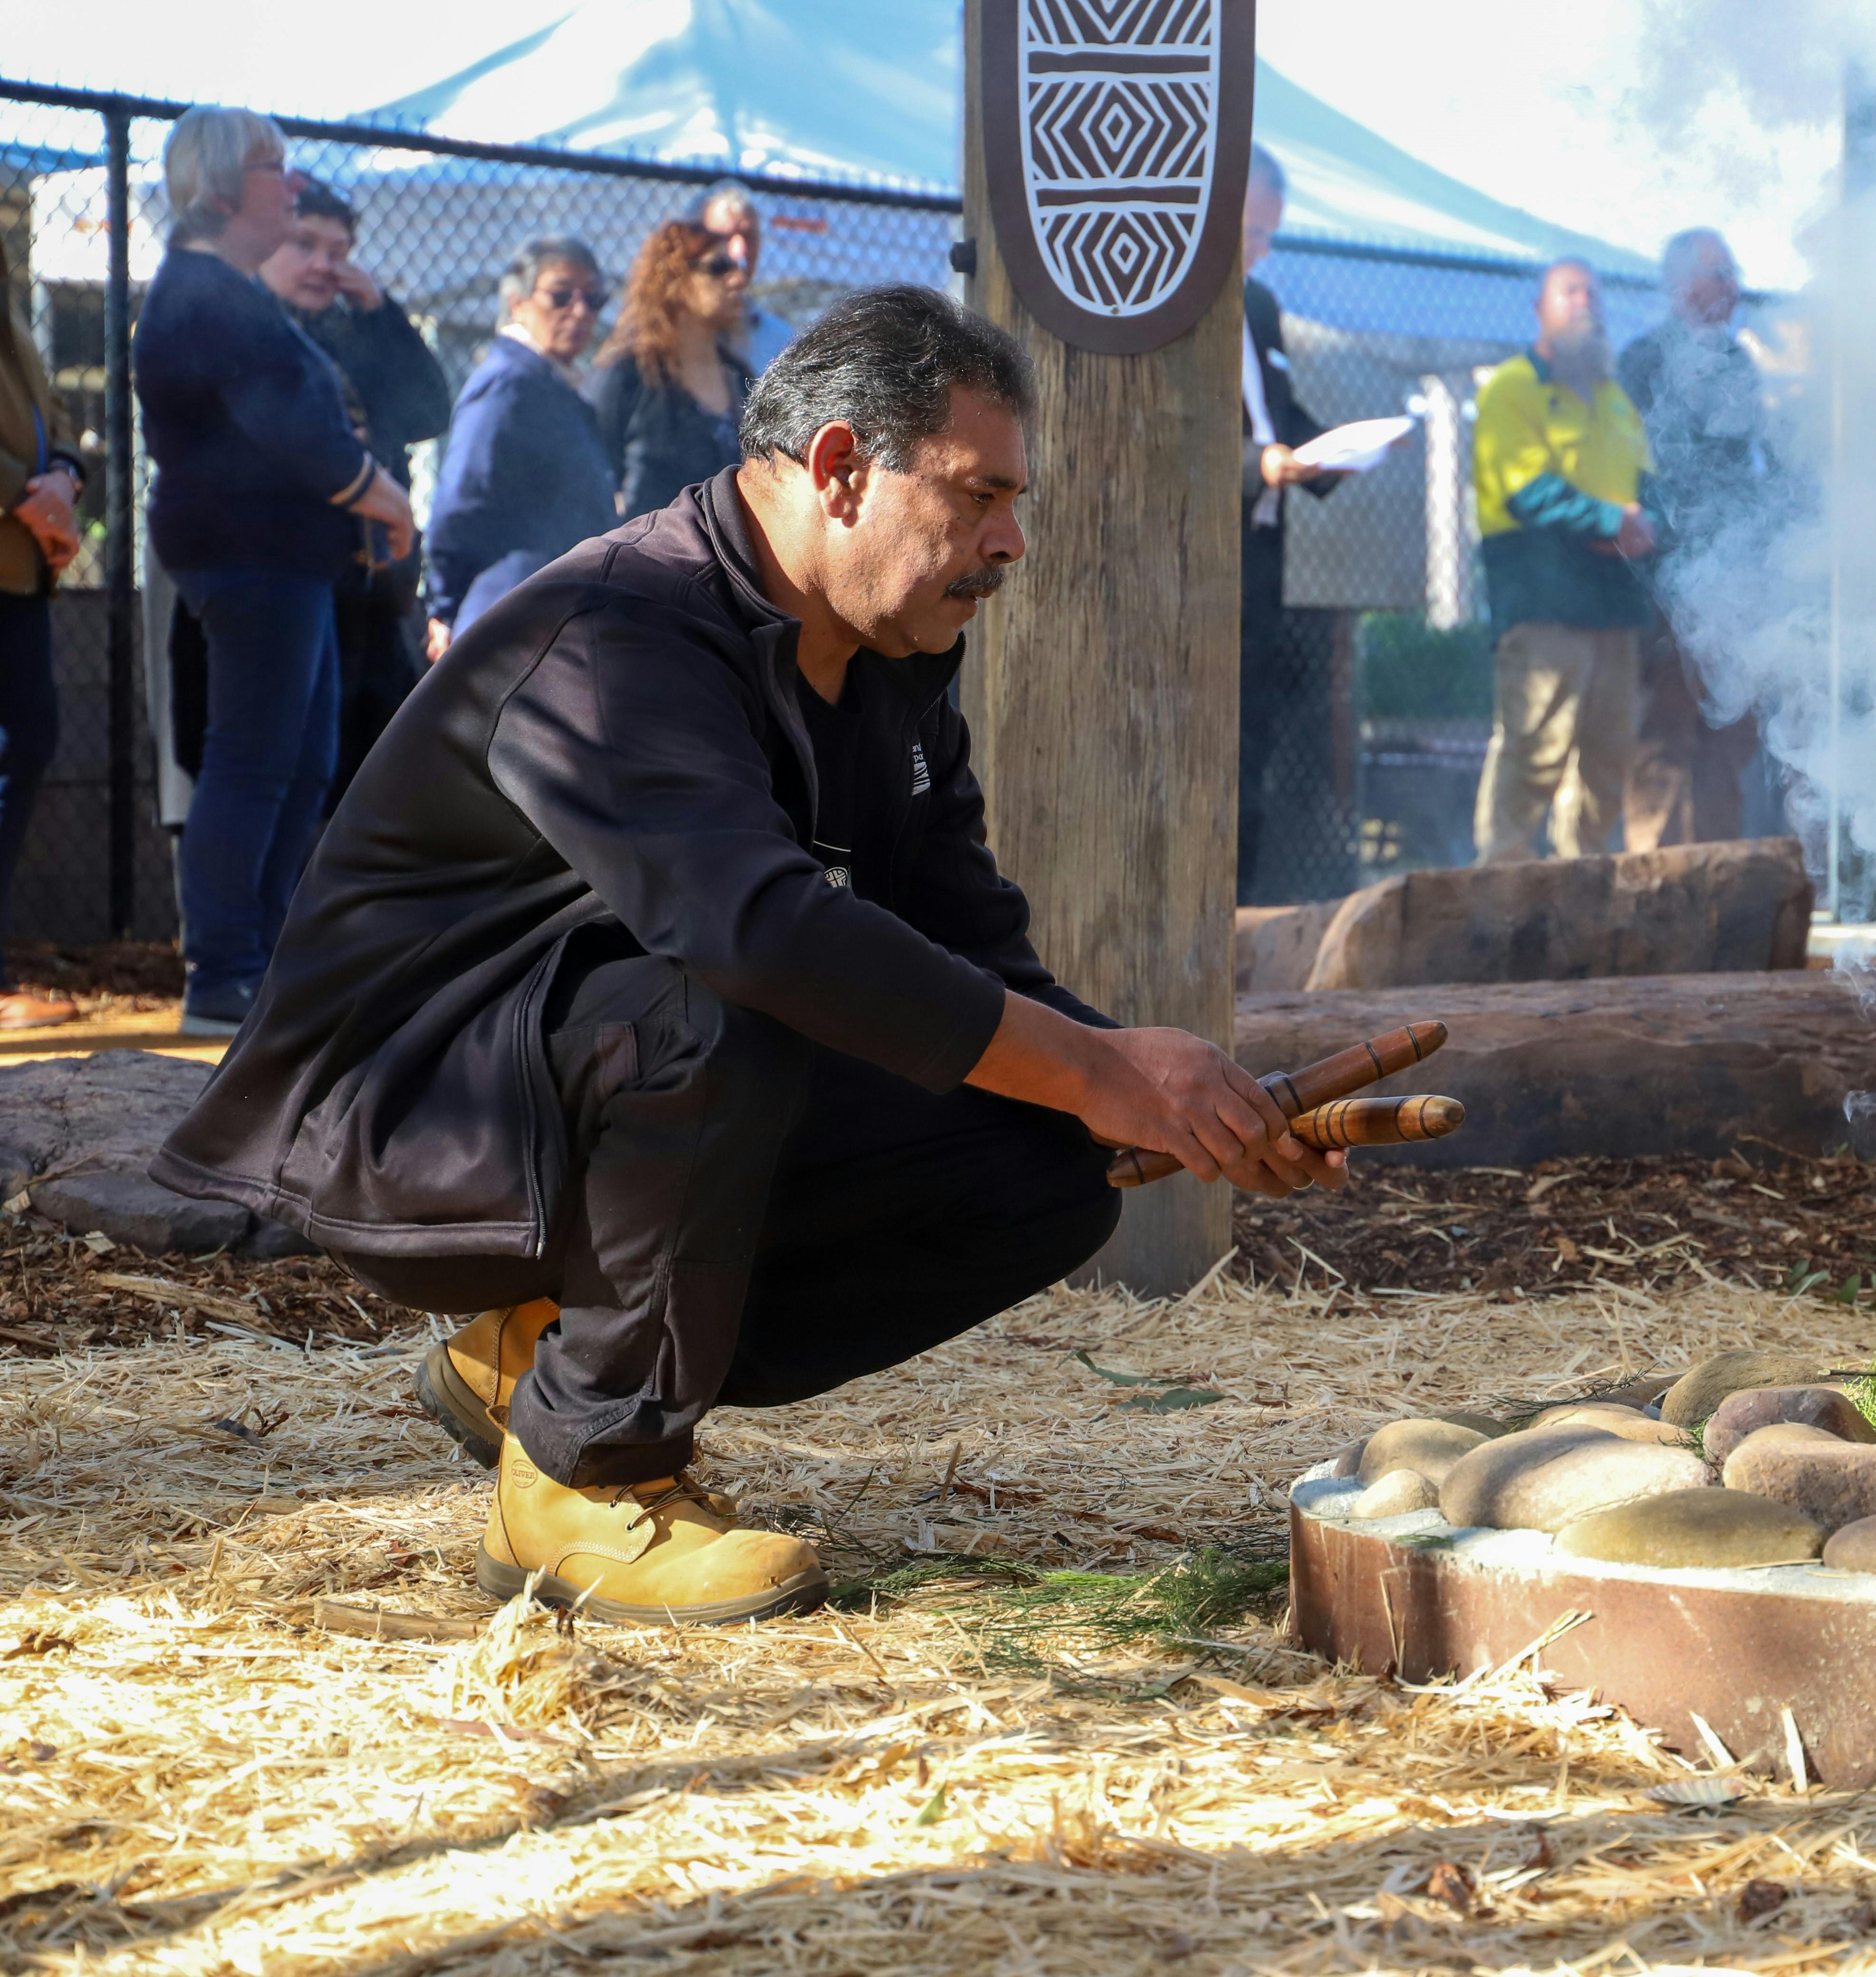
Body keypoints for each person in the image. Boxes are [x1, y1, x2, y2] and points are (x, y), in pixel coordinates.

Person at [152, 287, 1344, 1627]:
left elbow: (972, 949)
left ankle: (540, 1358)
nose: (1012, 540)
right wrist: (1097, 1069)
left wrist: (1157, 1097)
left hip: (573, 1082)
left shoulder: (890, 660)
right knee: (726, 1002)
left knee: (1050, 1166)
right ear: (840, 468)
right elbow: (748, 927)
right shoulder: (619, 625)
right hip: (406, 1119)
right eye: (979, 495)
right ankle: (587, 1470)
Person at [133, 107, 415, 1037]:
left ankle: (264, 962)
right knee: (255, 762)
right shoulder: (205, 292)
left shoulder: (230, 290)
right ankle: (222, 973)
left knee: (301, 762)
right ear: (221, 189)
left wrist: (370, 502)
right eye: (272, 166)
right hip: (247, 559)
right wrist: (389, 501)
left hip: (288, 559)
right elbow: (298, 432)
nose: (291, 183)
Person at [258, 178, 452, 805]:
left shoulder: (351, 328)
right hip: (288, 579)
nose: (324, 264)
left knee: (379, 763)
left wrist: (378, 308)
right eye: (306, 245)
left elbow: (430, 408)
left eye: (338, 252)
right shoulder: (252, 326)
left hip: (375, 583)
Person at [1470, 259, 1658, 863]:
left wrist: (1647, 522)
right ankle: (1501, 882)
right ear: (1539, 309)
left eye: (1593, 294)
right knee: (1535, 747)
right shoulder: (1512, 388)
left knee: (1607, 758)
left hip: (1614, 606)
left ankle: (1586, 883)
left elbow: (1647, 486)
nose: (1585, 303)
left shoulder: (1614, 399)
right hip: (1543, 598)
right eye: (1570, 292)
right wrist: (1609, 521)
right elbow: (1524, 489)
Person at [1616, 228, 1764, 849]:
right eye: (1721, 275)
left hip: (1732, 582)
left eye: (1734, 275)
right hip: (1665, 585)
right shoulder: (1643, 361)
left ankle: (1723, 873)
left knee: (1728, 731)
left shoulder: (1738, 363)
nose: (1734, 289)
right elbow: (1634, 471)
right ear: (1682, 287)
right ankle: (1655, 873)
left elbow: (1746, 469)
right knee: (1665, 729)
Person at [1233, 145, 1345, 901]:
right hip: (1203, 556)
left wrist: (1336, 454)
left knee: (1255, 737)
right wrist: (1256, 464)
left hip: (1265, 553)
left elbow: (1279, 413)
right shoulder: (1173, 305)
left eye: (1269, 234)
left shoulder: (1261, 305)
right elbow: (1167, 431)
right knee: (1215, 739)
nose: (1261, 249)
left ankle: (1242, 906)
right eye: (1252, 232)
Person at [425, 238, 620, 645]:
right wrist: (444, 606)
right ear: (518, 303)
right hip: (512, 616)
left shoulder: (552, 384)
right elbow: (460, 502)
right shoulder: (508, 384)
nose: (580, 312)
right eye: (561, 295)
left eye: (594, 300)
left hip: (554, 611)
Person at [0, 237, 83, 1031]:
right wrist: (27, 497)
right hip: (17, 540)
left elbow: (56, 418)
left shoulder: (16, 327)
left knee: (26, 743)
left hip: (22, 569)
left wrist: (63, 479)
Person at [594, 221, 755, 523]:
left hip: (725, 548)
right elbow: (593, 475)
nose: (737, 279)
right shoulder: (630, 375)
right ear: (675, 277)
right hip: (650, 546)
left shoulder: (741, 377)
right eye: (719, 267)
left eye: (738, 267)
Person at [693, 180, 797, 374]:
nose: (739, 253)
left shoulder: (782, 341)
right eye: (725, 238)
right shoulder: (667, 335)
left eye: (750, 237)